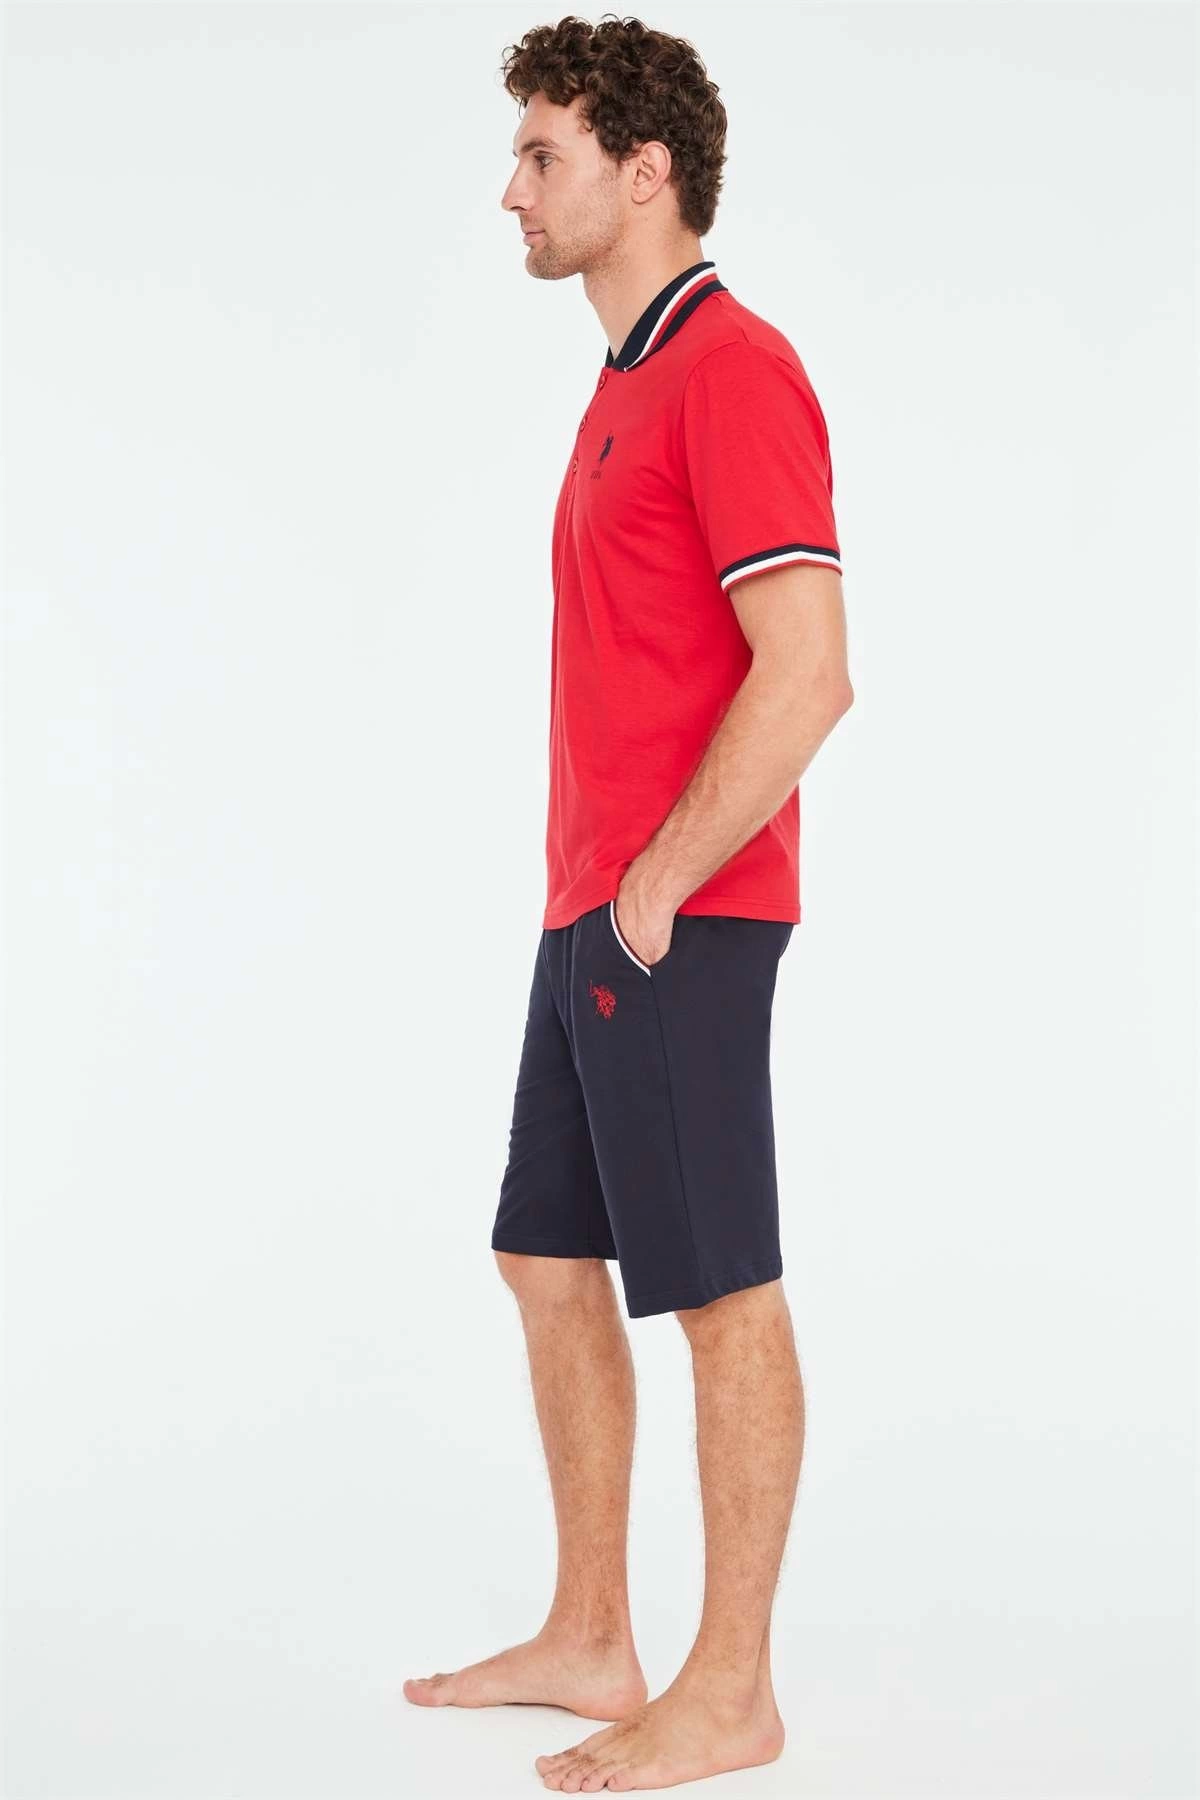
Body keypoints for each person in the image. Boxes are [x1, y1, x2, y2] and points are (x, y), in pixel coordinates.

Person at [405, 15, 853, 1792]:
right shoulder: (625, 384)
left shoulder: (733, 371)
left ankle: (730, 1691)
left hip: (677, 915)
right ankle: (597, 1629)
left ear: (644, 168)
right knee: (544, 1252)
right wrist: (604, 894)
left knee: (720, 1291)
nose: (512, 190)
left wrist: (663, 880)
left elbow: (808, 671)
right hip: (592, 909)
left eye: (544, 155)